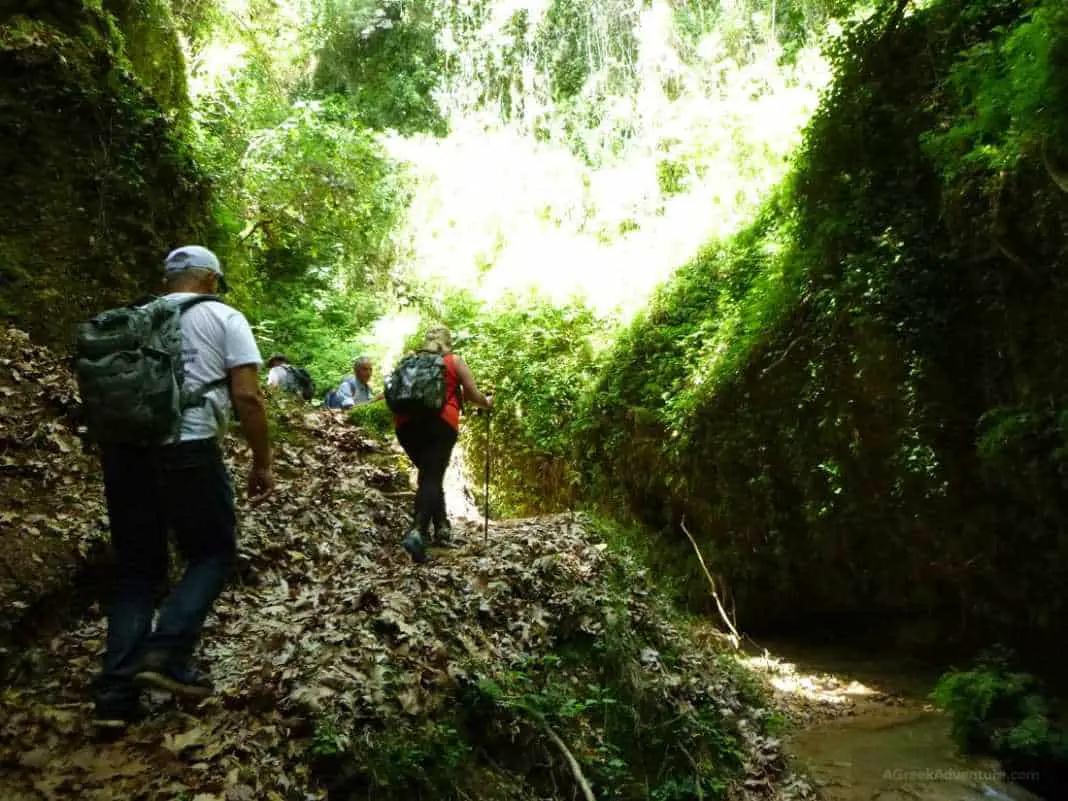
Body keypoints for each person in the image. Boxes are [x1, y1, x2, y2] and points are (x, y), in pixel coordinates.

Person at [91, 245, 274, 729]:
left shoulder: (134, 316)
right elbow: (248, 397)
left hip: (125, 452)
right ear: (210, 279)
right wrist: (262, 462)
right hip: (188, 448)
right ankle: (167, 651)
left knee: (136, 572)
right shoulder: (223, 317)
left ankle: (114, 696)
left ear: (169, 279)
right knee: (212, 552)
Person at [394, 325, 491, 563]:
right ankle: (417, 532)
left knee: (428, 474)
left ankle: (442, 526)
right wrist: (487, 402)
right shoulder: (454, 361)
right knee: (432, 476)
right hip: (440, 423)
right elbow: (472, 395)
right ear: (448, 342)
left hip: (405, 426)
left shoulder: (409, 360)